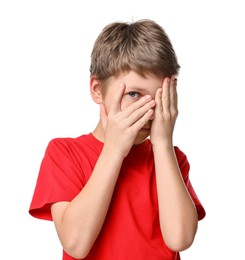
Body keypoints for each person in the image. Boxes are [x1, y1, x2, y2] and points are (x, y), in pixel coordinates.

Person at [29, 19, 206, 260]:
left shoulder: (172, 160)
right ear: (97, 90)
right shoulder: (64, 153)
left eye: (159, 98)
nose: (149, 110)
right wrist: (113, 149)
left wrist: (163, 145)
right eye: (134, 94)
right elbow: (75, 243)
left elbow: (179, 238)